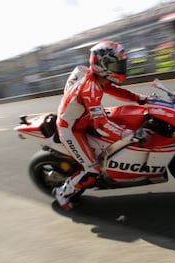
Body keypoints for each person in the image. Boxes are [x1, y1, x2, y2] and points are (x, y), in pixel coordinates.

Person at [53, 40, 148, 210]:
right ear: (102, 65)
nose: (120, 68)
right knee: (92, 170)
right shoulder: (91, 88)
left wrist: (139, 98)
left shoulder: (97, 78)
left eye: (121, 64)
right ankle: (62, 193)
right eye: (116, 64)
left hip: (83, 117)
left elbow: (114, 90)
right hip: (72, 129)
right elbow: (102, 125)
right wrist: (129, 136)